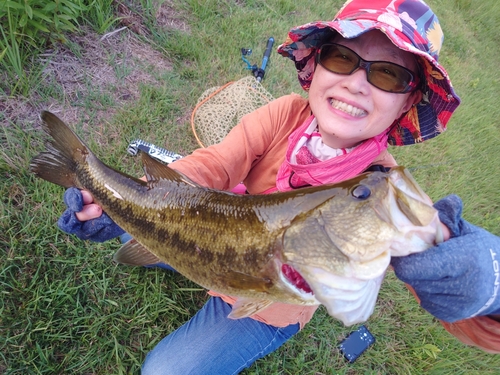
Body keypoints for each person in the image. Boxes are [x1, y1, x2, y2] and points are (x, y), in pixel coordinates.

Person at [58, 0, 500, 373]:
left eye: (388, 75)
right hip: (207, 243)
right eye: (343, 58)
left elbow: (448, 300)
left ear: (408, 100)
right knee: (138, 226)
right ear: (319, 64)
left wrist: (489, 292)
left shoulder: (382, 191)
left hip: (272, 304)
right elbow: (209, 167)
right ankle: (133, 225)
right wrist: (128, 201)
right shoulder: (283, 114)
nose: (357, 82)